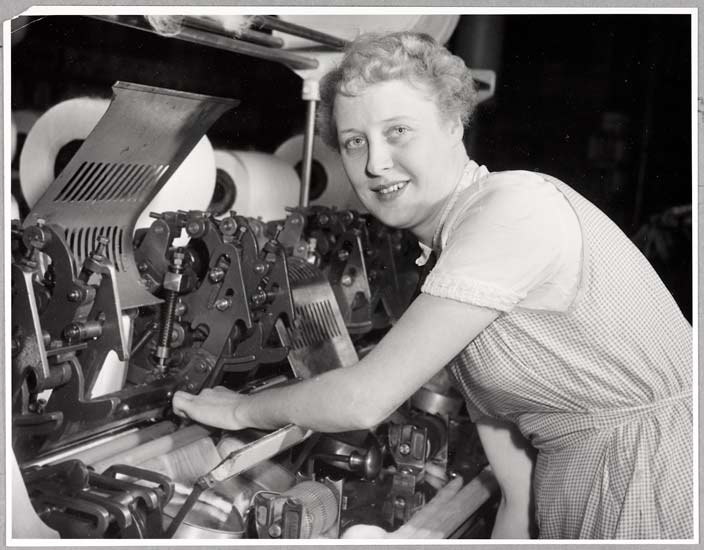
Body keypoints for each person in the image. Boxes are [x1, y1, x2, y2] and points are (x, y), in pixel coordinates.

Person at [173, 31, 692, 539]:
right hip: (580, 488)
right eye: (356, 143)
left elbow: (363, 400)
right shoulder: (452, 257)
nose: (375, 164)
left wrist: (238, 409)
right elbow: (518, 491)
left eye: (398, 131)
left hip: (654, 479)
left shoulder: (510, 209)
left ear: (453, 123)